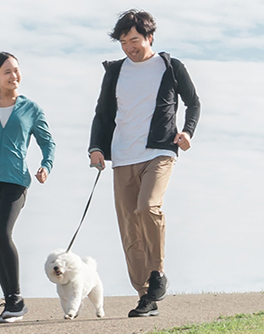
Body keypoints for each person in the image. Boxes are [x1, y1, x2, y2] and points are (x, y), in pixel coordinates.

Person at [88, 10, 201, 317]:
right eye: (123, 42)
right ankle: (146, 295)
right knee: (129, 227)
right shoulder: (115, 71)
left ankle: (158, 273)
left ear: (149, 37)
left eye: (134, 40)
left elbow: (194, 102)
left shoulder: (171, 67)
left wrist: (187, 132)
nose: (129, 47)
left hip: (160, 151)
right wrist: (96, 147)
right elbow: (103, 113)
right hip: (123, 156)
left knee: (147, 207)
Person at [0, 52, 56, 324]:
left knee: (2, 233)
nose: (13, 75)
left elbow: (47, 142)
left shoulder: (31, 109)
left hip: (15, 181)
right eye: (7, 72)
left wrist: (46, 166)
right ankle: (11, 303)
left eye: (16, 70)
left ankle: (16, 299)